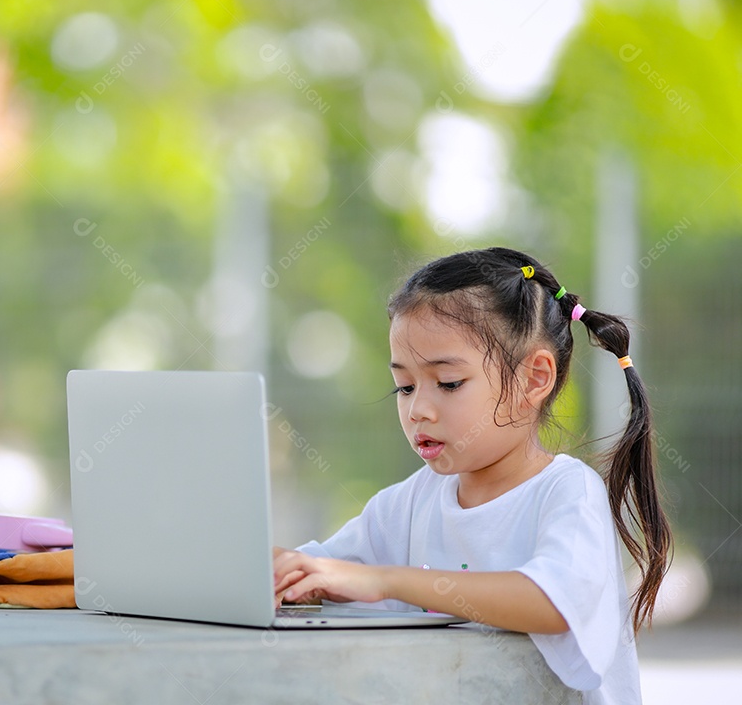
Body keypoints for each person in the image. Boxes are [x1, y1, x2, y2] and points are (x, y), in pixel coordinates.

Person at [273, 247, 671, 704]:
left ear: (533, 379)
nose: (417, 409)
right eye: (404, 386)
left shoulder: (567, 492)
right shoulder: (405, 505)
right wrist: (277, 571)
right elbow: (319, 570)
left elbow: (552, 601)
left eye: (448, 383)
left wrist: (386, 580)